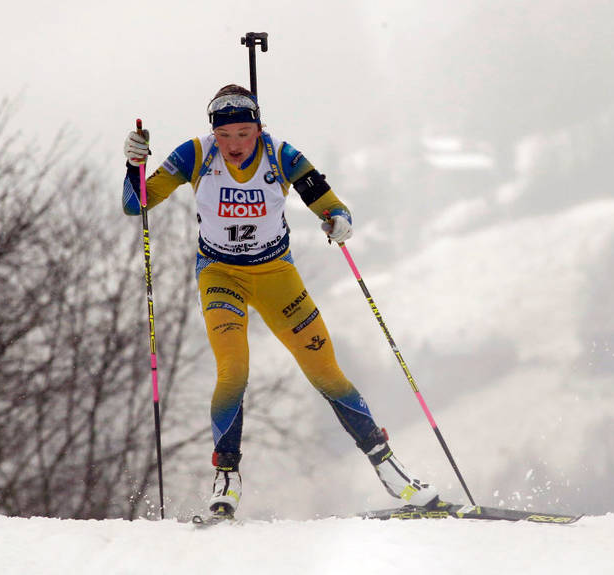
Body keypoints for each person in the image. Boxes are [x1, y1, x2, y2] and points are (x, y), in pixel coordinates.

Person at [122, 84, 437, 518]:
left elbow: (327, 201)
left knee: (325, 370)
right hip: (221, 276)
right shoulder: (195, 154)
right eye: (226, 134)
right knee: (234, 369)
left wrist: (338, 220)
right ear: (214, 132)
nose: (234, 145)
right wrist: (133, 165)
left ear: (259, 128)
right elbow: (135, 204)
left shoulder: (281, 154)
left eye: (244, 133)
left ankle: (389, 467)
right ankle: (227, 478)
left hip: (277, 276)